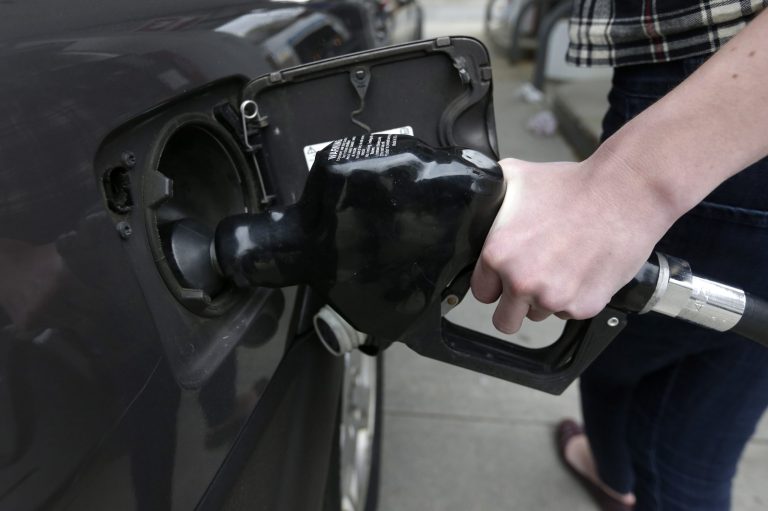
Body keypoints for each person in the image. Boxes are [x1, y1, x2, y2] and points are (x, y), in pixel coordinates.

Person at [471, 3, 768, 510]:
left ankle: (613, 477)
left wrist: (632, 184)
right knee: (703, 433)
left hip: (708, 93)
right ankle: (612, 475)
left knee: (611, 360)